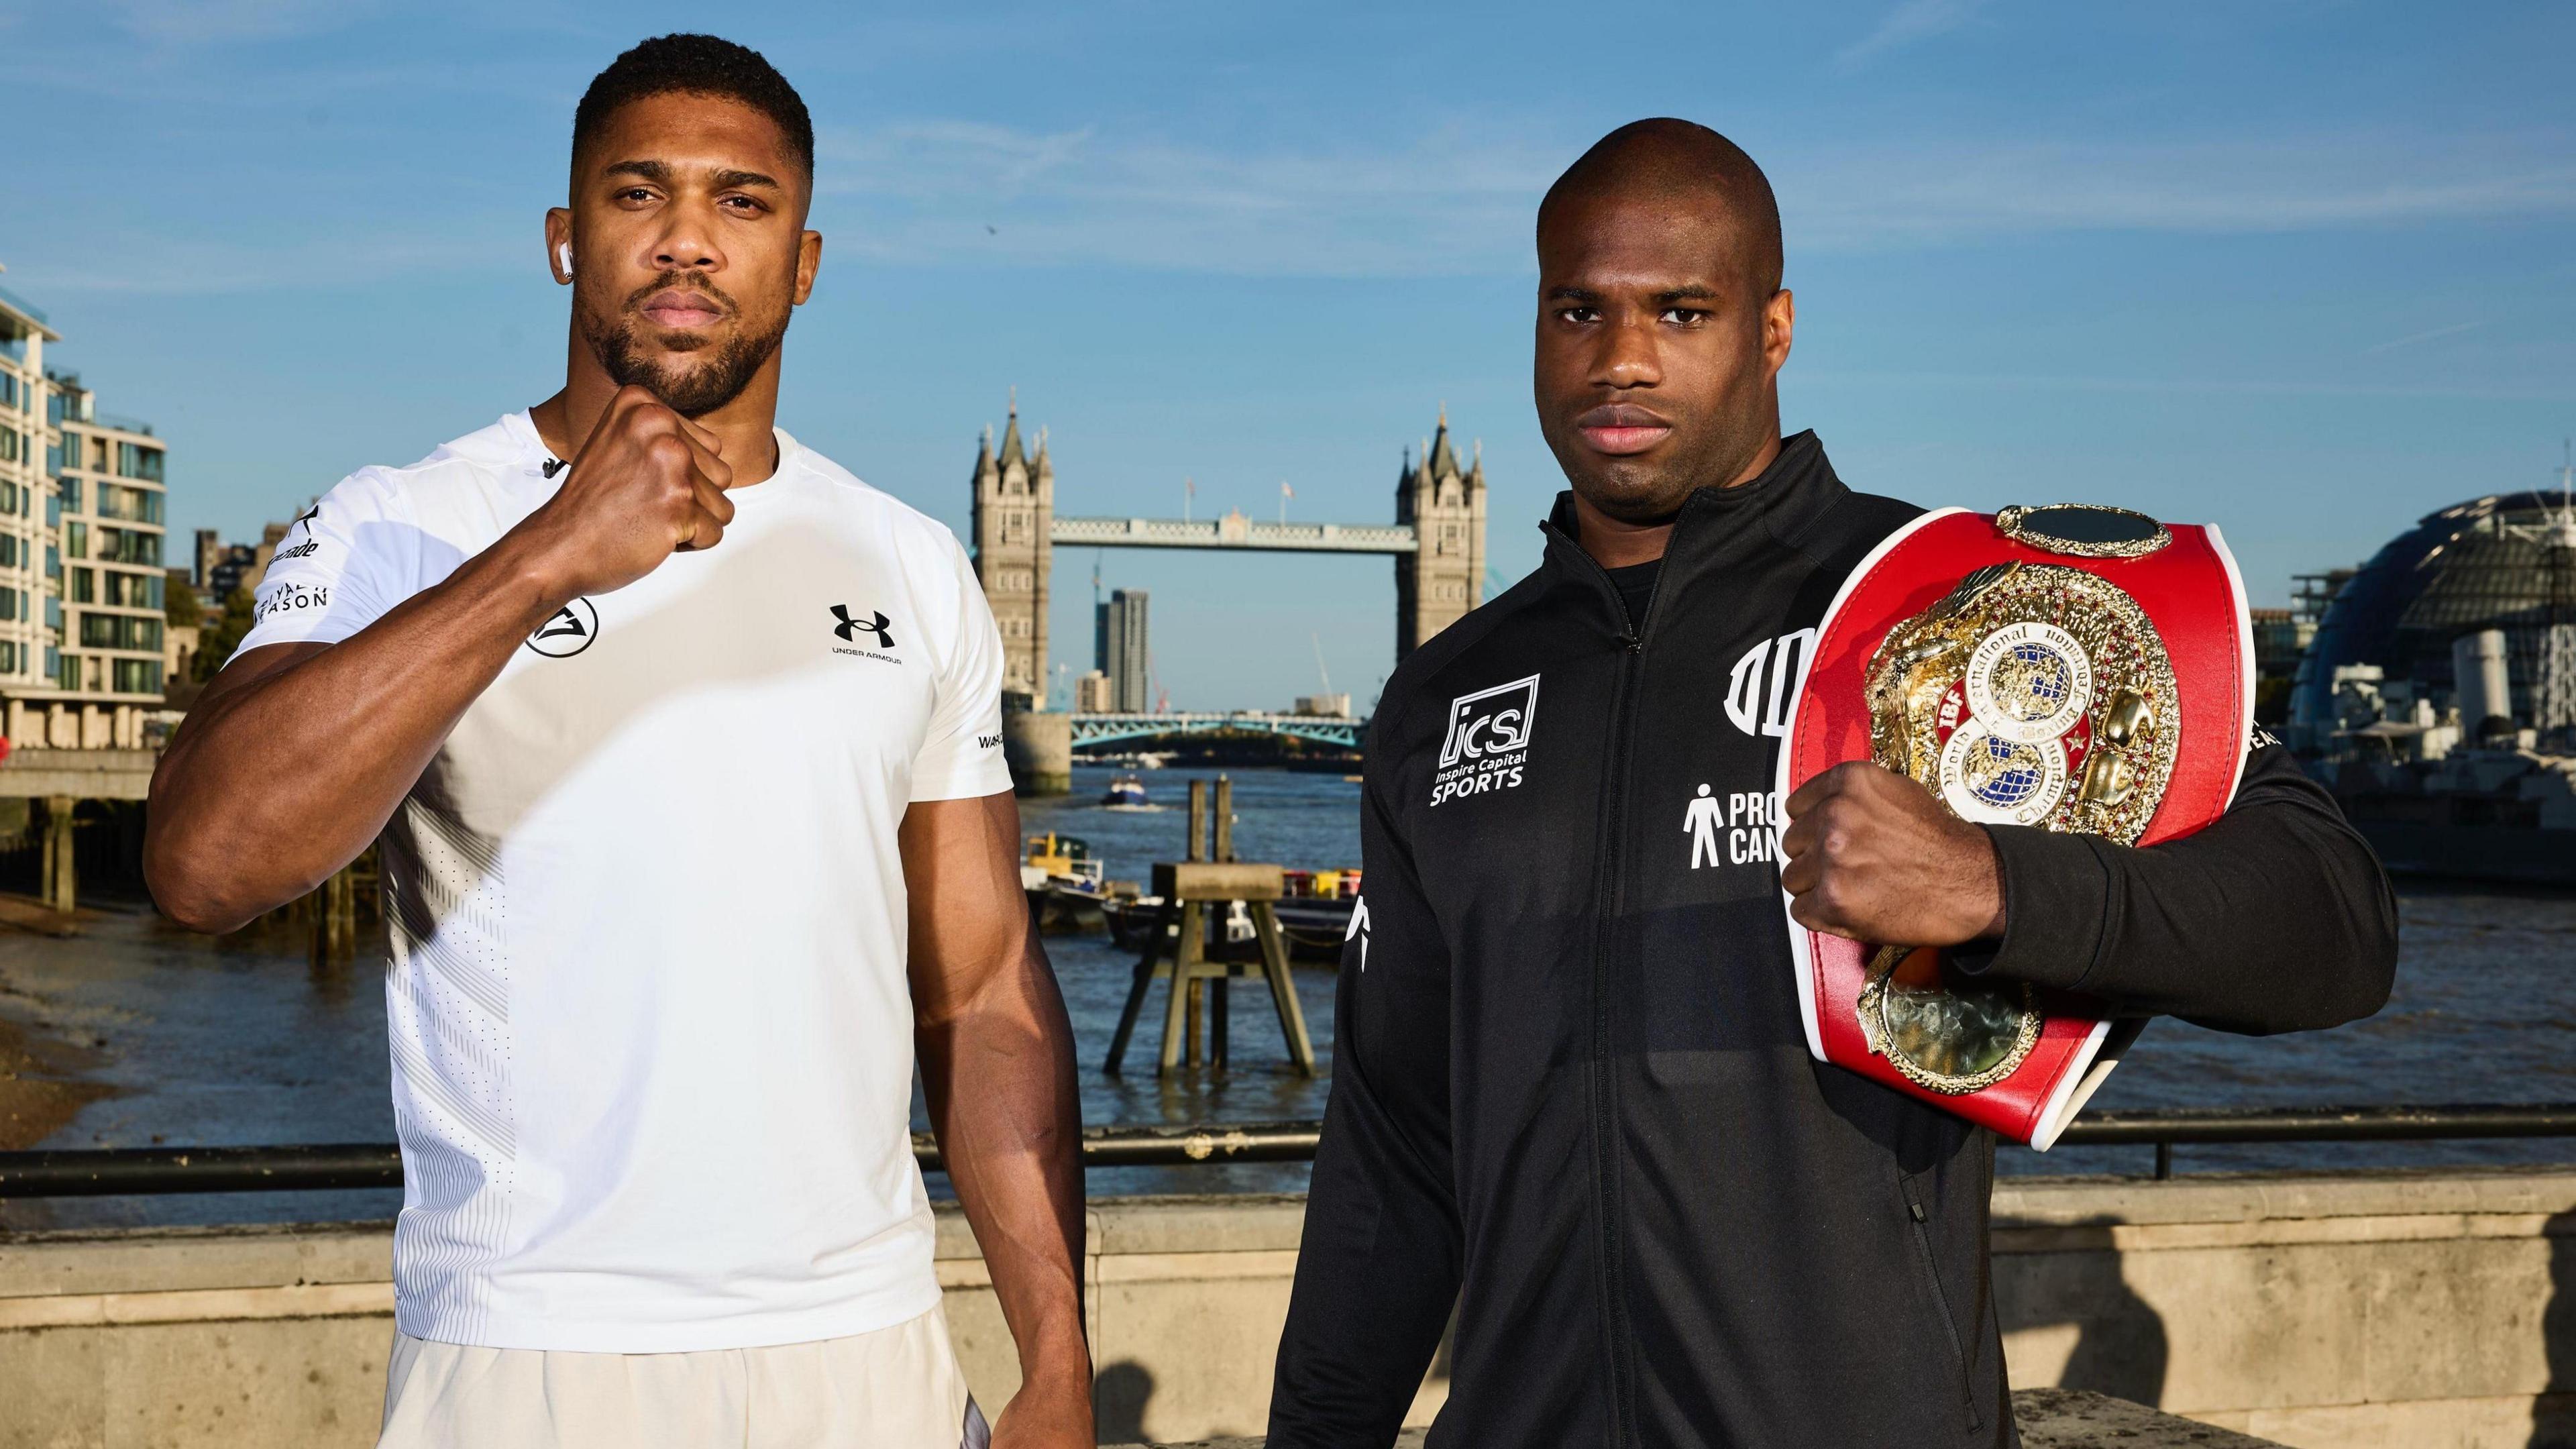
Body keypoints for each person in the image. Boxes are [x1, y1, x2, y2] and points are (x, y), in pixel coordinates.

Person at [1267, 119, 2397, 1449]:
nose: (1621, 358)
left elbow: (2336, 926)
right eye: (1580, 309)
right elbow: (1393, 1162)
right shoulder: (1444, 699)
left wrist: (1997, 890)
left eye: (1681, 310)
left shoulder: (1965, 611)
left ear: (1775, 328)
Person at [144, 35, 1092, 1449]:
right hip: (536, 1359)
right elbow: (204, 863)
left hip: (869, 1352)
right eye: (639, 196)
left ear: (808, 261)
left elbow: (982, 991)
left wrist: (1059, 1353)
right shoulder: (408, 522)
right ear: (563, 241)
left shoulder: (910, 561)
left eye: (742, 203)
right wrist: (544, 557)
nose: (688, 242)